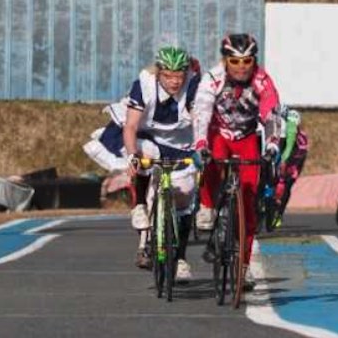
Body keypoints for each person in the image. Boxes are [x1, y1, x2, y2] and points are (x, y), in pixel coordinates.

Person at [82, 46, 200, 278]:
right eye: (168, 76)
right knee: (145, 155)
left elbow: (200, 118)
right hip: (145, 133)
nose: (175, 82)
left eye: (179, 76)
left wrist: (201, 147)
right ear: (158, 73)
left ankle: (181, 259)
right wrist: (133, 156)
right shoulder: (144, 84)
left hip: (179, 138)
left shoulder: (194, 85)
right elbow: (131, 126)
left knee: (186, 194)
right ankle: (140, 206)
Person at [192, 33, 281, 286]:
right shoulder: (212, 78)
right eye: (235, 61)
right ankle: (208, 206)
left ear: (254, 61)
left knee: (250, 202)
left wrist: (273, 144)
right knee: (211, 158)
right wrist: (200, 144)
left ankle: (244, 267)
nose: (241, 67)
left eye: (247, 61)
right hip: (218, 133)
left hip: (247, 137)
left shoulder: (262, 80)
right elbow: (201, 112)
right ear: (225, 61)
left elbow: (271, 113)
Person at [270, 106, 309, 228]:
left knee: (286, 187)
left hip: (294, 163)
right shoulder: (280, 130)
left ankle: (279, 213)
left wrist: (287, 167)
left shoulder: (301, 138)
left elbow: (299, 156)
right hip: (281, 157)